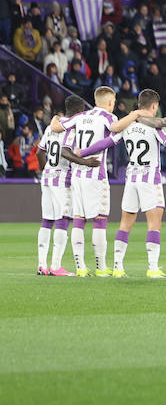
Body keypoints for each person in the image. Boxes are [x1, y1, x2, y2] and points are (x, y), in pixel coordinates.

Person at [79, 90, 166, 278]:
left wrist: (82, 152)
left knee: (125, 224)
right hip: (149, 179)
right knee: (154, 224)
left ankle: (117, 267)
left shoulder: (127, 125)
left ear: (139, 105)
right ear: (154, 106)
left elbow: (105, 143)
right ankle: (153, 268)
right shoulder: (155, 126)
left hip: (131, 179)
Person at [51, 86, 145, 277]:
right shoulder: (109, 118)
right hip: (96, 174)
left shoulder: (79, 117)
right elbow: (115, 130)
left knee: (79, 219)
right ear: (110, 102)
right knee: (100, 220)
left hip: (77, 176)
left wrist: (55, 117)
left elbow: (57, 129)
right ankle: (101, 267)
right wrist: (134, 114)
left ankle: (80, 267)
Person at [34, 95, 91, 276]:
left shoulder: (51, 127)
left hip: (47, 178)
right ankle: (56, 265)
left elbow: (38, 153)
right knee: (63, 219)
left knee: (46, 220)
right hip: (62, 179)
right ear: (80, 111)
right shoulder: (72, 128)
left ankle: (42, 264)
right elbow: (67, 153)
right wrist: (86, 162)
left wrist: (46, 170)